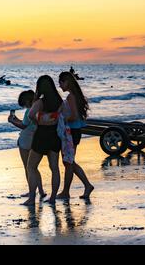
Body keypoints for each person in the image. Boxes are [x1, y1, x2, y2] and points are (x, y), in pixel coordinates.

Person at [22, 75, 63, 206]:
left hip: (41, 136)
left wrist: (38, 122)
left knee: (31, 166)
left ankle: (31, 198)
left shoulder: (40, 102)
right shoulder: (59, 100)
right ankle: (52, 198)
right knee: (54, 168)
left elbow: (30, 115)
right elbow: (63, 115)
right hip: (54, 135)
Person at [56, 72, 94, 200]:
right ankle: (86, 186)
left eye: (61, 82)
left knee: (68, 162)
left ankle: (67, 191)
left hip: (71, 132)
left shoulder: (71, 97)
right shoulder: (75, 95)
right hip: (75, 131)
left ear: (66, 81)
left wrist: (61, 118)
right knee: (69, 161)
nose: (59, 85)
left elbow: (74, 116)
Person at [8, 90, 46, 199]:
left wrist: (12, 121)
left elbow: (23, 126)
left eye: (24, 104)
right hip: (34, 140)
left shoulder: (29, 111)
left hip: (25, 141)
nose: (24, 106)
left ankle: (31, 191)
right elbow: (25, 123)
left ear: (27, 101)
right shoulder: (37, 110)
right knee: (34, 168)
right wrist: (16, 120)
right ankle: (41, 191)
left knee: (28, 168)